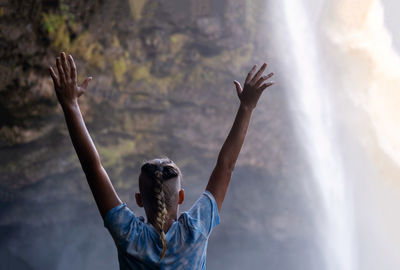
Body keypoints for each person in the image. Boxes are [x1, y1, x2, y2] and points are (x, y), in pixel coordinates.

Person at [49, 52, 275, 270]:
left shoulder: (129, 236)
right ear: (181, 197)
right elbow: (226, 166)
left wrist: (70, 105)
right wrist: (247, 107)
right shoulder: (195, 230)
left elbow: (92, 168)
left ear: (139, 199)